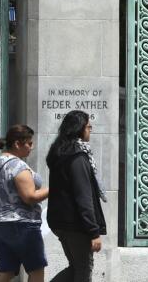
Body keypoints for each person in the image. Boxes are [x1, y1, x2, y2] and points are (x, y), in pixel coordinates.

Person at [46, 111, 106, 282]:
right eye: (88, 127)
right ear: (79, 129)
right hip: (75, 225)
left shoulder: (60, 152)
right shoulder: (77, 156)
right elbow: (83, 197)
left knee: (75, 268)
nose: (90, 130)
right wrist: (93, 231)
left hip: (61, 222)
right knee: (83, 269)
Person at [0, 124, 50, 282]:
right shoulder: (18, 166)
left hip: (0, 224)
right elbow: (29, 196)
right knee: (36, 270)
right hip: (22, 225)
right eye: (29, 143)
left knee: (5, 272)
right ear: (17, 144)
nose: (31, 147)